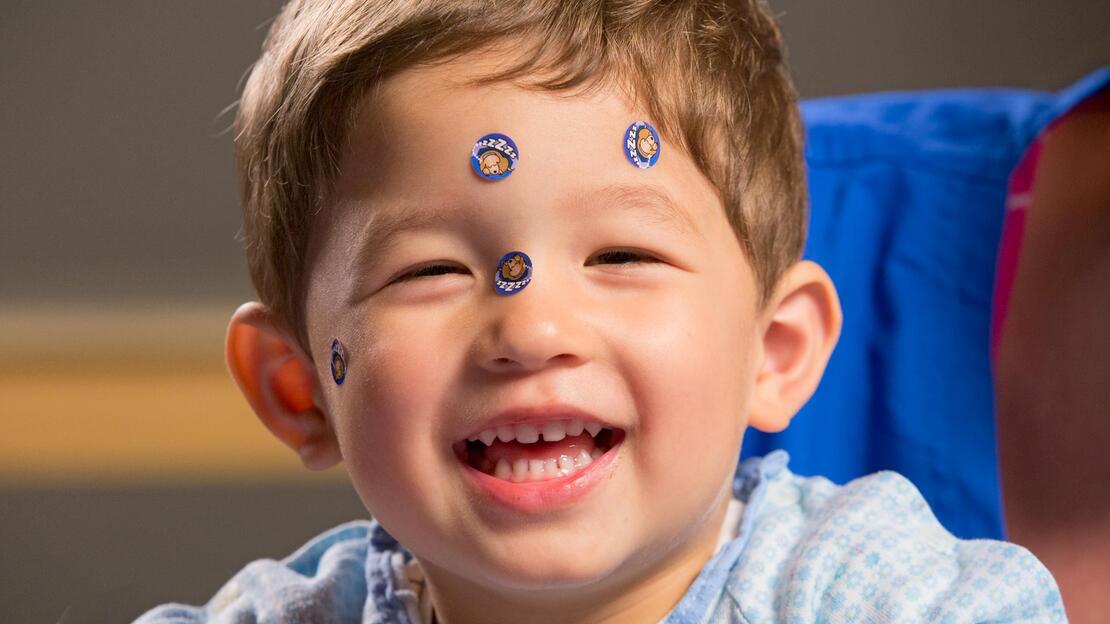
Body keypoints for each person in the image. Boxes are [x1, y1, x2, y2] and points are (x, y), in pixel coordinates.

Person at [134, 1, 1065, 622]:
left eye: (622, 255)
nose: (533, 331)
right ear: (297, 389)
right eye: (428, 272)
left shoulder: (885, 598)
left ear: (775, 352)